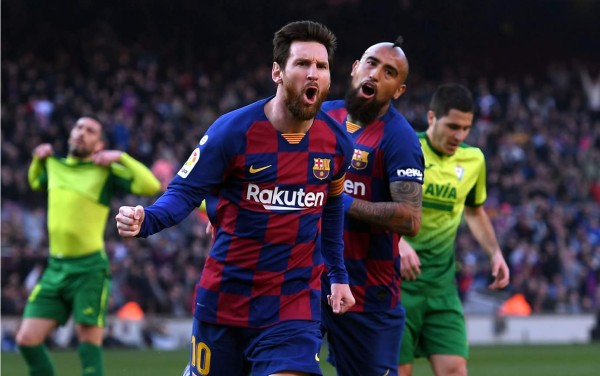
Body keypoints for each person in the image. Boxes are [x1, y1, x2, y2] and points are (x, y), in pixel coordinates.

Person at [115, 20, 356, 376]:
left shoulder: (336, 143)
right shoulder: (232, 132)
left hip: (292, 304)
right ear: (278, 71)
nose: (313, 74)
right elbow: (184, 190)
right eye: (302, 63)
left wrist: (338, 273)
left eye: (321, 66)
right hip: (226, 299)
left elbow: (332, 210)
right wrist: (147, 219)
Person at [16, 116, 161, 376]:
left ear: (99, 145)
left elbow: (150, 184)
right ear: (71, 134)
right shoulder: (53, 165)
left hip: (89, 269)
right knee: (26, 340)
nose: (82, 133)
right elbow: (34, 181)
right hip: (55, 268)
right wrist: (38, 159)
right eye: (79, 127)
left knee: (88, 347)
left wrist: (120, 157)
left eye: (90, 131)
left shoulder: (104, 172)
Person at [320, 37, 424, 376]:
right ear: (354, 69)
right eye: (370, 62)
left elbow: (410, 220)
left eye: (389, 72)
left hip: (367, 293)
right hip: (308, 281)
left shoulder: (399, 138)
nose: (376, 74)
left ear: (398, 90)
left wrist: (342, 200)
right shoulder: (322, 116)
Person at [397, 84, 510, 376]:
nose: (459, 136)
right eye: (453, 126)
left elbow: (474, 211)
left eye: (466, 128)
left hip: (441, 287)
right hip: (397, 286)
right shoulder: (405, 148)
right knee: (399, 372)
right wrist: (396, 242)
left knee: (455, 370)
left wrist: (495, 253)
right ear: (432, 117)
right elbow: (375, 202)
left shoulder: (474, 160)